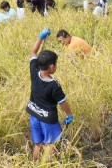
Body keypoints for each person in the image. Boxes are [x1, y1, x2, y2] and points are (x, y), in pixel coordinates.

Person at [26, 28, 74, 161]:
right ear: (52, 67)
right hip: (48, 119)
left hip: (34, 114)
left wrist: (41, 37)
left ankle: (36, 164)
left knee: (37, 143)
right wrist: (70, 114)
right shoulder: (54, 85)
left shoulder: (34, 72)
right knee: (50, 144)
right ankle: (48, 164)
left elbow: (34, 51)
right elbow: (62, 102)